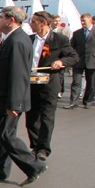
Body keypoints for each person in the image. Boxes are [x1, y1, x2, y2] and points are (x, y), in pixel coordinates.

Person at [0, 6, 47, 186]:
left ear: (11, 20)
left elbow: (18, 74)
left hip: (9, 99)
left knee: (5, 135)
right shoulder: (13, 38)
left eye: (1, 17)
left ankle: (34, 165)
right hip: (2, 97)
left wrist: (14, 104)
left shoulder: (18, 41)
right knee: (0, 135)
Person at [23, 11, 77, 161]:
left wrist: (61, 62)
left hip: (49, 83)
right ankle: (35, 145)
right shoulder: (29, 39)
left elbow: (73, 57)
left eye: (34, 22)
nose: (30, 24)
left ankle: (43, 149)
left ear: (44, 23)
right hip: (31, 83)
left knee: (47, 117)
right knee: (31, 118)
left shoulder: (59, 39)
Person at [66, 13, 95, 108]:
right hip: (79, 61)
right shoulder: (77, 33)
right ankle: (73, 102)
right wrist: (70, 59)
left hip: (92, 61)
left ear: (90, 20)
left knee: (91, 84)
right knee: (76, 82)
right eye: (81, 21)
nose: (82, 23)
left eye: (84, 21)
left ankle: (88, 101)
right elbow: (71, 47)